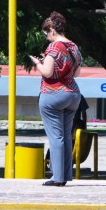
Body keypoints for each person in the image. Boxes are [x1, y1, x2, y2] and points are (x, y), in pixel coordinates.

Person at [29, 11, 83, 187]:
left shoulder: (53, 48)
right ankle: (65, 175)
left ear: (52, 29)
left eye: (46, 33)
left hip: (52, 94)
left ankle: (57, 177)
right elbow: (77, 73)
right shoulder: (74, 46)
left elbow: (48, 72)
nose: (47, 37)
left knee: (56, 137)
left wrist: (37, 63)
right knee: (66, 136)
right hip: (73, 94)